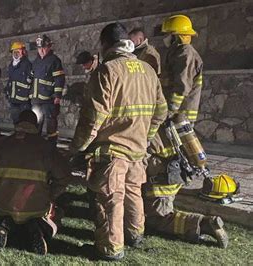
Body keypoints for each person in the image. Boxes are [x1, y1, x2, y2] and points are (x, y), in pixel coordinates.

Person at [69, 22, 167, 260]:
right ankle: (135, 234)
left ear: (105, 44)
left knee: (111, 199)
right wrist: (146, 137)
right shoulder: (148, 70)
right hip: (138, 149)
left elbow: (93, 119)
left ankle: (110, 249)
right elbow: (161, 112)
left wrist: (77, 148)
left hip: (112, 151)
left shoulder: (107, 71)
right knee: (134, 191)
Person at [142, 14, 228, 249]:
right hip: (174, 121)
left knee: (156, 219)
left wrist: (166, 112)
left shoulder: (185, 54)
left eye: (168, 36)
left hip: (176, 119)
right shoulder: (178, 54)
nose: (165, 40)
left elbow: (180, 89)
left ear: (177, 36)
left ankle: (203, 224)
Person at [0, 110, 70, 255]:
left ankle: (7, 224)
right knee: (57, 214)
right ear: (36, 126)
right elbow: (64, 177)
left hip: (4, 204)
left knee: (9, 212)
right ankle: (39, 229)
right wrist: (51, 195)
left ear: (18, 124)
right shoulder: (46, 148)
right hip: (37, 206)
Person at [161, 14, 203, 124]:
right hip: (177, 113)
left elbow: (182, 85)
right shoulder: (177, 52)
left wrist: (171, 109)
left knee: (181, 142)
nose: (165, 37)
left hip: (180, 114)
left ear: (176, 36)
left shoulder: (185, 53)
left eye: (167, 34)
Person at [30, 34, 65, 145]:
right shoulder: (35, 62)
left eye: (44, 48)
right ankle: (37, 145)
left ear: (49, 47)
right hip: (36, 99)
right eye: (39, 48)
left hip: (49, 98)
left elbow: (59, 79)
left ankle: (52, 146)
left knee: (51, 123)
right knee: (36, 123)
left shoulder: (54, 60)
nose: (41, 50)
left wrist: (57, 95)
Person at [5, 41, 32, 124]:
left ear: (23, 52)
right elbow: (10, 80)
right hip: (13, 100)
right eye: (14, 52)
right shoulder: (11, 65)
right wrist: (7, 92)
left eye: (18, 51)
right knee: (16, 122)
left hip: (24, 101)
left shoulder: (27, 64)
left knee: (25, 123)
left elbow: (31, 80)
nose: (16, 54)